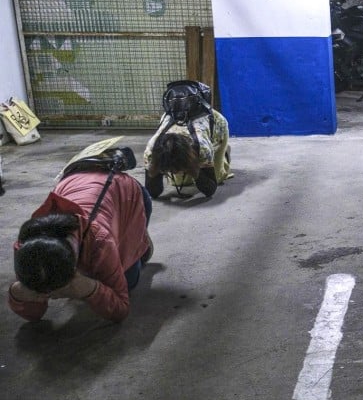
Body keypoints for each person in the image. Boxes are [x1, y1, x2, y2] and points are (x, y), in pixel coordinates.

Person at [8, 149, 152, 323]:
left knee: (130, 281)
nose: (51, 296)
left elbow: (121, 308)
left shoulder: (99, 241)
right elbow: (34, 314)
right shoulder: (27, 246)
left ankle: (141, 240)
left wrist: (91, 288)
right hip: (75, 182)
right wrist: (18, 293)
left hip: (125, 189)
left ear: (74, 269)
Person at [144, 99, 231, 198]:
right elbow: (153, 192)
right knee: (178, 182)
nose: (174, 172)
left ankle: (224, 153)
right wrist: (155, 170)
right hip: (178, 121)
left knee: (218, 178)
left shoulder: (203, 149)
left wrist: (195, 171)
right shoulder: (151, 151)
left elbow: (210, 190)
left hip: (216, 125)